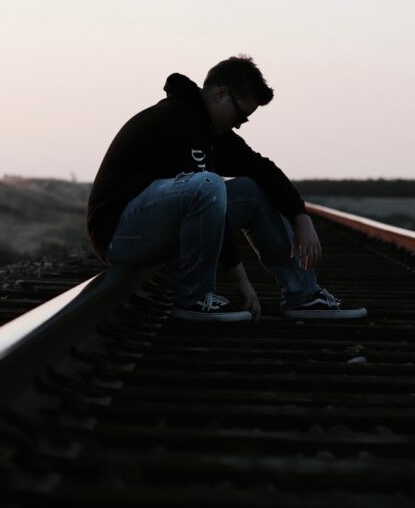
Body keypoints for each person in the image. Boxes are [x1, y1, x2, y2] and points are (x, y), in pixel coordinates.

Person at [86, 55, 367, 322]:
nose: (239, 125)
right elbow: (207, 202)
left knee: (253, 190)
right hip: (118, 234)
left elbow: (262, 168)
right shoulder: (175, 120)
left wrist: (300, 216)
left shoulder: (211, 130)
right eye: (239, 117)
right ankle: (193, 298)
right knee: (208, 184)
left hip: (151, 224)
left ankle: (303, 295)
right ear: (220, 94)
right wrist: (241, 280)